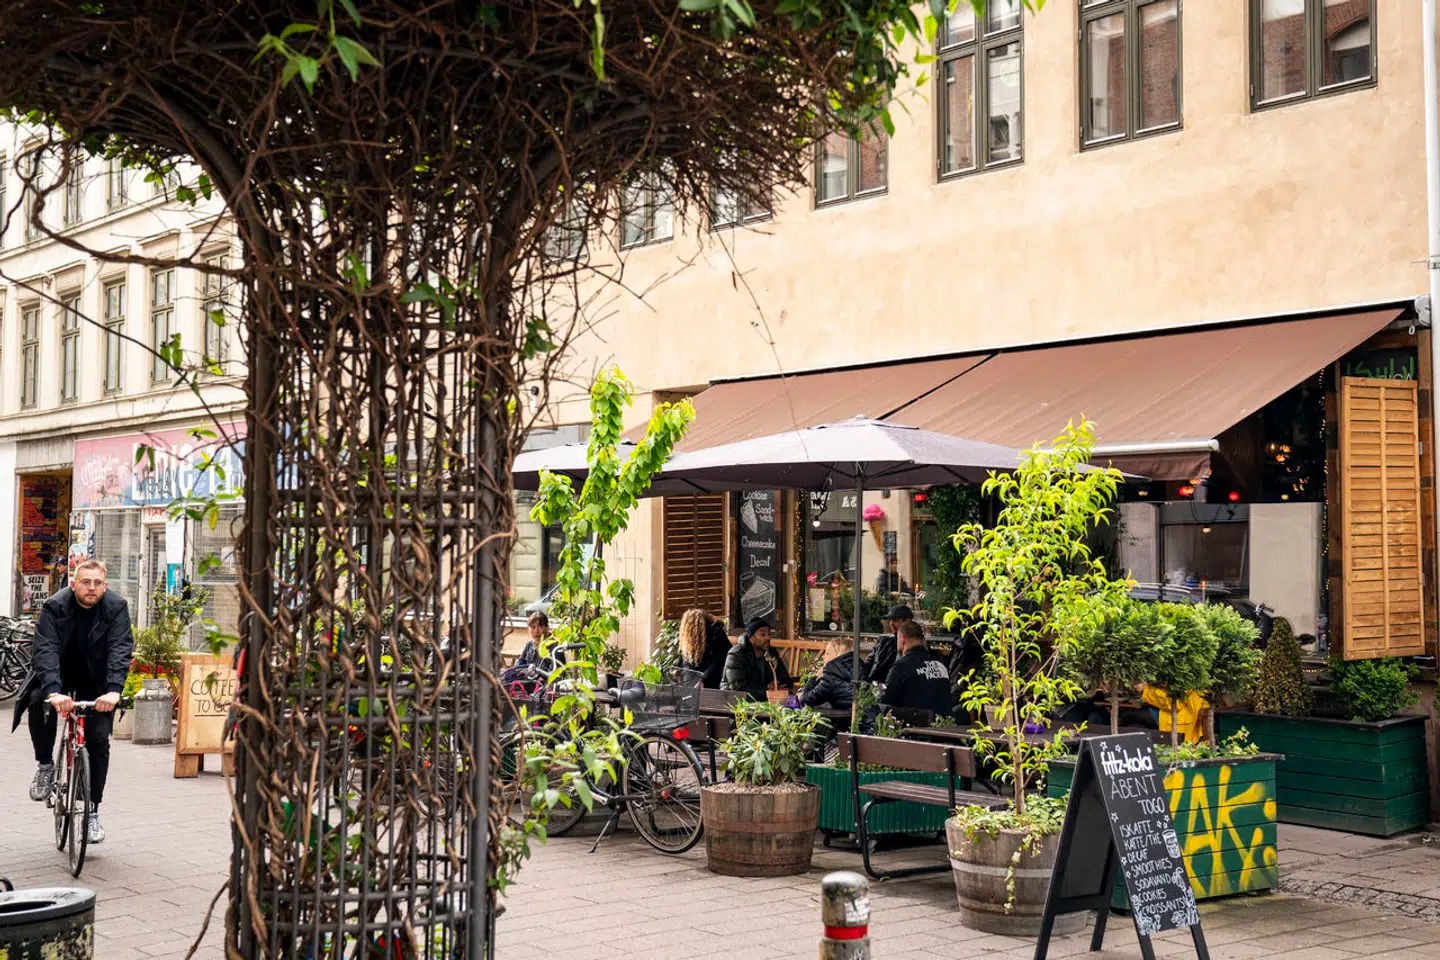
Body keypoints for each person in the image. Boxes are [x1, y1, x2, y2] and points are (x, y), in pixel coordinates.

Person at [10, 558, 133, 843]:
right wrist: (53, 691)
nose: (91, 588)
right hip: (60, 674)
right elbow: (46, 649)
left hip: (96, 680)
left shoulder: (116, 607)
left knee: (99, 740)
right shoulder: (55, 606)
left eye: (97, 583)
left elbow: (120, 648)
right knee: (39, 702)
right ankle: (44, 766)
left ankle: (91, 811)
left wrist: (114, 690)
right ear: (74, 584)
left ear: (105, 586)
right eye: (85, 582)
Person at [880, 620, 952, 717]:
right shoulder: (940, 665)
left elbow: (885, 701)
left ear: (902, 639)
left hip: (915, 728)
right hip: (944, 728)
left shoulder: (901, 667)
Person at [721, 617, 793, 702]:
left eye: (769, 634)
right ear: (751, 638)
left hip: (765, 700)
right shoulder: (736, 654)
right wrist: (767, 689)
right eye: (762, 634)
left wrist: (777, 683)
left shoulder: (771, 652)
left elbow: (786, 680)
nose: (768, 638)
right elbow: (739, 690)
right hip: (735, 702)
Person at [677, 608, 731, 689]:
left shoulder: (716, 635)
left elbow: (719, 662)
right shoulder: (716, 633)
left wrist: (702, 680)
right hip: (702, 684)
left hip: (714, 684)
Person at [798, 639, 854, 711]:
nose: (823, 656)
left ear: (837, 656)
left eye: (827, 653)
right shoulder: (859, 667)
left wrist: (815, 677)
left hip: (845, 720)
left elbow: (805, 701)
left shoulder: (832, 676)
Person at [862, 604, 911, 685]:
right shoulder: (883, 641)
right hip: (875, 686)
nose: (891, 623)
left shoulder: (915, 644)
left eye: (895, 620)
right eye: (890, 620)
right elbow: (869, 663)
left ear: (907, 621)